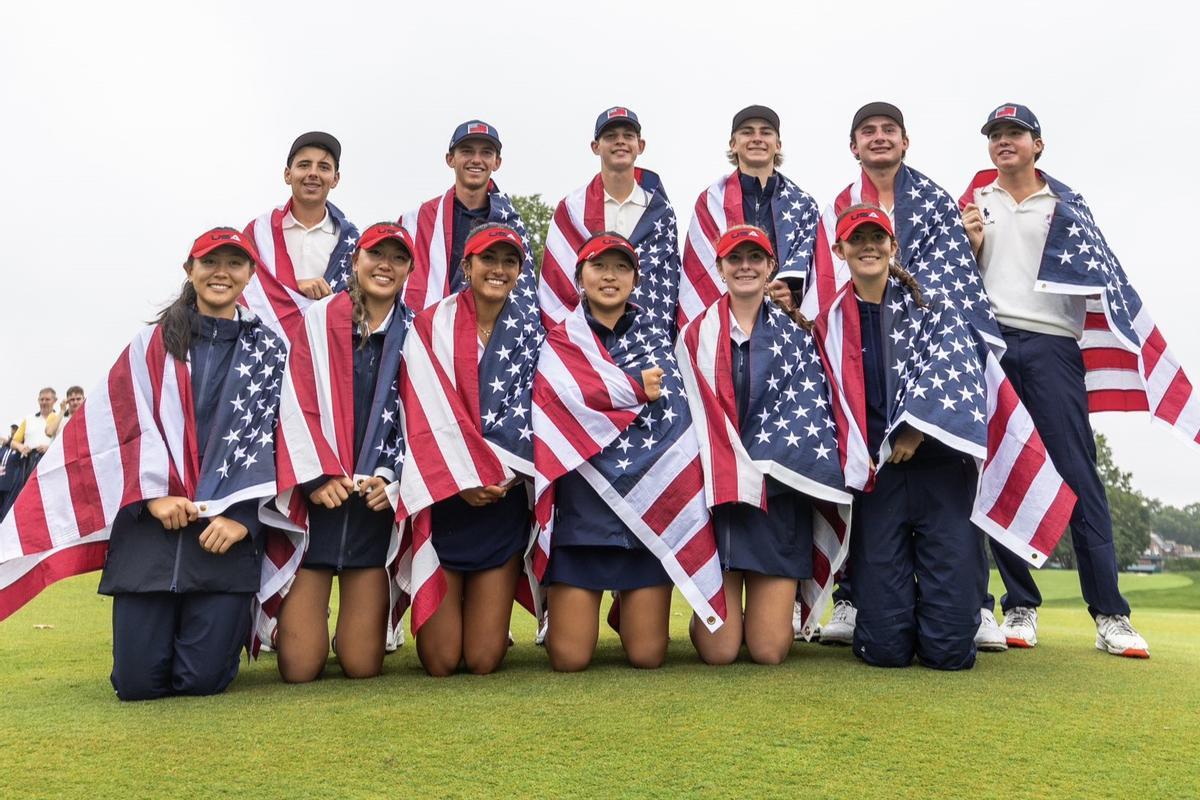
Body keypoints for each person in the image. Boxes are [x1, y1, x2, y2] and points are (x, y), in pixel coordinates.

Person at [0, 227, 285, 699]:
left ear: (250, 274)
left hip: (225, 540)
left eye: (235, 263)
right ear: (189, 270)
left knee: (200, 681)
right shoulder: (148, 345)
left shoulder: (271, 352)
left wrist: (244, 520)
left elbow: (281, 440)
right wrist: (152, 495)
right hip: (151, 536)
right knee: (137, 684)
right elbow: (115, 430)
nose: (221, 273)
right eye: (210, 261)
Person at [960, 103, 1186, 657]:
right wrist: (969, 245)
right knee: (998, 471)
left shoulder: (1066, 205)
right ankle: (1019, 605)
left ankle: (1111, 614)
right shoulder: (973, 202)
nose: (1004, 142)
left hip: (1052, 346)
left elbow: (1103, 277)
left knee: (1078, 475)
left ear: (1038, 144)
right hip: (990, 343)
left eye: (1015, 134)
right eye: (996, 135)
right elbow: (958, 277)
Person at [801, 101, 1008, 651]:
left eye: (888, 130)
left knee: (949, 649)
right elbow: (818, 300)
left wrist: (918, 426)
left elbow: (958, 305)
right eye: (867, 131)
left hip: (937, 452)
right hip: (876, 460)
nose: (878, 138)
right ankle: (859, 599)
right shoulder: (838, 222)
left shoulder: (935, 207)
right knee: (885, 647)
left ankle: (974, 607)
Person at [533, 232, 726, 671]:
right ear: (580, 276)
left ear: (636, 279)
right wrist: (632, 389)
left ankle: (630, 607)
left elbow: (675, 417)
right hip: (584, 520)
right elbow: (556, 404)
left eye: (621, 268)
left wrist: (610, 398)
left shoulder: (658, 338)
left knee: (647, 656)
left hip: (648, 517)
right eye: (599, 266)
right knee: (569, 659)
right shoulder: (561, 341)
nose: (609, 276)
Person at [676, 225, 853, 664]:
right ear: (719, 267)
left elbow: (810, 414)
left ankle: (761, 610)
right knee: (719, 652)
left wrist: (754, 463)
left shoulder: (798, 339)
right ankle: (713, 614)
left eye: (755, 258)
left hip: (774, 501)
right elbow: (686, 418)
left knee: (769, 650)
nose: (745, 266)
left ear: (771, 266)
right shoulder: (694, 336)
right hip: (716, 502)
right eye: (734, 258)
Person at [395, 223, 543, 676]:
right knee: (440, 661)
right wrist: (461, 479)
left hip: (503, 498)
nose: (498, 270)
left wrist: (504, 475)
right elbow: (418, 407)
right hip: (446, 498)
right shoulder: (429, 324)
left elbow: (545, 408)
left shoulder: (534, 331)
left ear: (519, 271)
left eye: (508, 262)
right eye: (488, 260)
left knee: (482, 660)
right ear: (467, 265)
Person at [271, 223, 415, 682]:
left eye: (398, 257)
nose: (385, 265)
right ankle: (296, 624)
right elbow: (296, 400)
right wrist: (315, 477)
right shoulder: (319, 319)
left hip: (372, 505)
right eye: (376, 254)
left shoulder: (417, 333)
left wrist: (391, 477)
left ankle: (349, 627)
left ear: (410, 269)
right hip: (319, 503)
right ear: (356, 261)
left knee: (361, 664)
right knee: (299, 668)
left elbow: (423, 417)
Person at [537, 107, 682, 327]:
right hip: (585, 340)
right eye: (611, 136)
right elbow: (557, 283)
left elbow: (667, 284)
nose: (620, 142)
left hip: (646, 336)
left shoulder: (661, 212)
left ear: (640, 146)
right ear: (596, 147)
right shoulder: (572, 209)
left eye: (628, 136)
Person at [678, 105, 819, 328]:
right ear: (733, 144)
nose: (757, 138)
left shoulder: (804, 204)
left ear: (778, 145)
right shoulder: (710, 202)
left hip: (785, 326)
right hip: (725, 324)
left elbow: (812, 266)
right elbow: (701, 269)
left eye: (765, 132)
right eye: (747, 132)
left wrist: (792, 293)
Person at [400, 121, 535, 313]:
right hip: (426, 332)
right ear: (450, 159)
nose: (476, 160)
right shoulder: (418, 221)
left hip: (488, 336)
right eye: (467, 151)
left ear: (497, 162)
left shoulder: (511, 224)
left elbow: (522, 297)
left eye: (486, 153)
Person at [242, 131, 360, 338]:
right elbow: (243, 287)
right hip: (264, 349)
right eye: (304, 165)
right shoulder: (260, 231)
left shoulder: (351, 241)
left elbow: (361, 303)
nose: (313, 173)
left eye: (323, 167)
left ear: (335, 179)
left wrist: (333, 302)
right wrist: (296, 287)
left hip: (323, 346)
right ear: (288, 174)